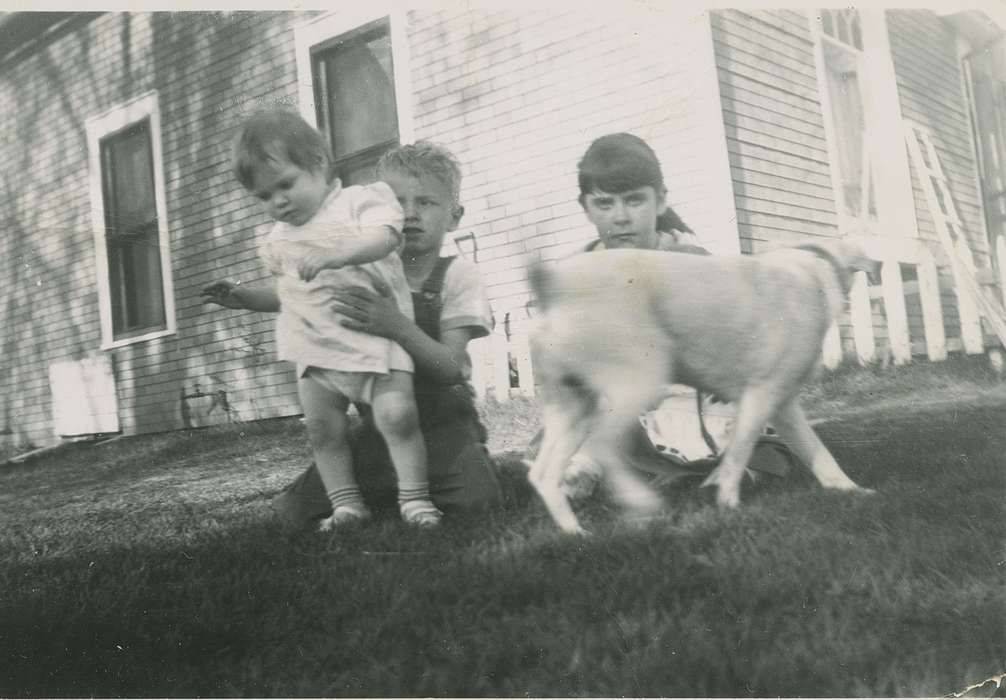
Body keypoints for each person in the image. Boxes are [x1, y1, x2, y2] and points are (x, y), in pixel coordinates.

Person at [205, 139, 502, 530]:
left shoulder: (458, 276)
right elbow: (302, 291)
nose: (409, 214)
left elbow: (450, 370)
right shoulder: (360, 265)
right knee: (295, 512)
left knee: (477, 502)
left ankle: (472, 472)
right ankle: (374, 491)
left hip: (442, 428)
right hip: (379, 430)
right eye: (397, 203)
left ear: (454, 215)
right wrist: (246, 297)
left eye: (426, 202)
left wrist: (394, 323)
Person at [528, 132, 799, 499]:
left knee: (764, 450)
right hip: (625, 406)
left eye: (634, 201)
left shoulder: (691, 262)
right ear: (586, 208)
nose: (621, 217)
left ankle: (725, 474)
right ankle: (587, 468)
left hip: (698, 402)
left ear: (660, 200)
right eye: (605, 204)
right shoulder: (579, 275)